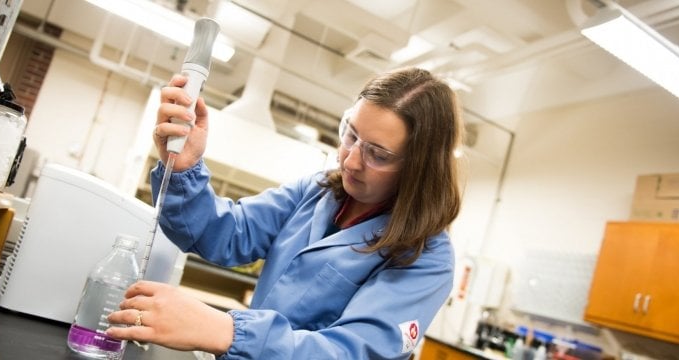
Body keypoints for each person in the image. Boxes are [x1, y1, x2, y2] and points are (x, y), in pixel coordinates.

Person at [106, 67, 464, 359]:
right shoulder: (318, 190)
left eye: (379, 155)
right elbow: (224, 234)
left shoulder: (426, 257)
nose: (351, 160)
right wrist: (185, 168)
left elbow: (350, 352)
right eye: (351, 135)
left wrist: (227, 331)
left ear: (419, 167)